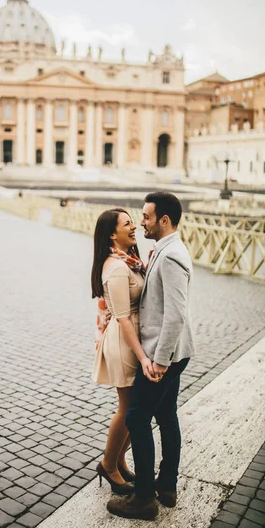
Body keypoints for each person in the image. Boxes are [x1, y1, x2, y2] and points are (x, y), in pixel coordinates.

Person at [107, 192, 195, 520]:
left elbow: (175, 314)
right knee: (167, 415)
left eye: (145, 217)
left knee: (137, 417)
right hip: (175, 350)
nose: (141, 221)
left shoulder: (171, 255)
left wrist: (159, 360)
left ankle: (144, 497)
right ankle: (167, 485)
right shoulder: (165, 248)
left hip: (166, 353)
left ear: (164, 220)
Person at [91, 208, 158, 496]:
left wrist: (150, 264)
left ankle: (118, 460)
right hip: (124, 341)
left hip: (131, 338)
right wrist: (143, 356)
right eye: (127, 224)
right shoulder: (116, 267)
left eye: (133, 222)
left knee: (134, 409)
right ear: (112, 234)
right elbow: (121, 316)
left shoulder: (129, 261)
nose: (134, 227)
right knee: (129, 409)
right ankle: (108, 464)